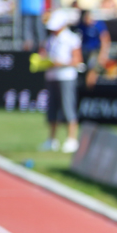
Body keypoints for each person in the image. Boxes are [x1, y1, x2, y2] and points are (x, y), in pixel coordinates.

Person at [39, 10, 82, 153]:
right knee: (52, 109)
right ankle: (52, 139)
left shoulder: (71, 38)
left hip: (66, 76)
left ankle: (71, 139)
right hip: (52, 76)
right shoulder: (51, 39)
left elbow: (77, 60)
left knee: (68, 107)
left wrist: (60, 63)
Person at [78, 9, 110, 87]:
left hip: (95, 51)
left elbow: (105, 38)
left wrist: (103, 54)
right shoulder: (82, 26)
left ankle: (90, 89)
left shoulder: (98, 25)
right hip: (85, 51)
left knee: (92, 69)